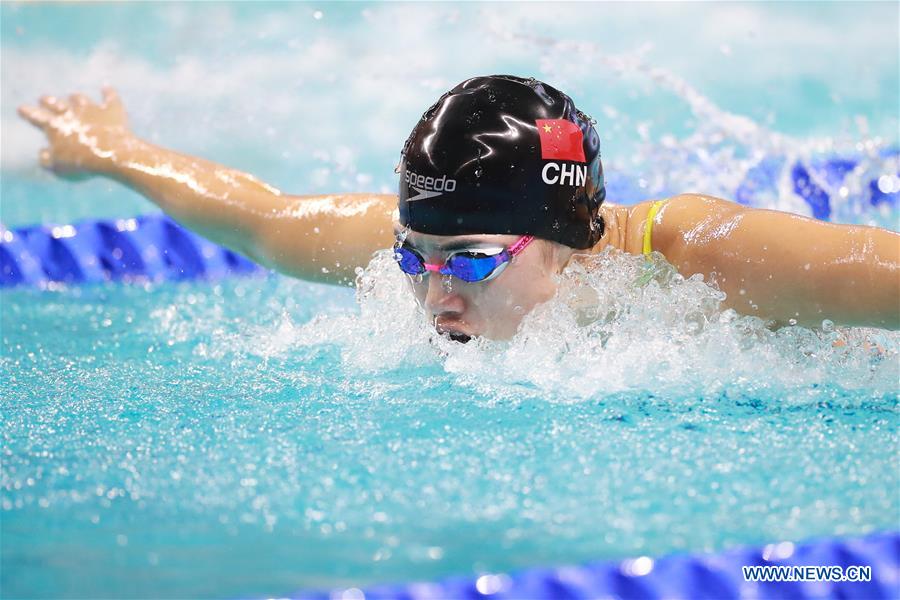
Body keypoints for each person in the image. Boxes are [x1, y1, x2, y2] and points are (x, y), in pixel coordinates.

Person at [17, 75, 900, 342]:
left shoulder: (712, 256)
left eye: (472, 260)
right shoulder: (429, 243)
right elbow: (259, 217)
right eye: (414, 257)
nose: (436, 291)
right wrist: (109, 152)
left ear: (569, 239)